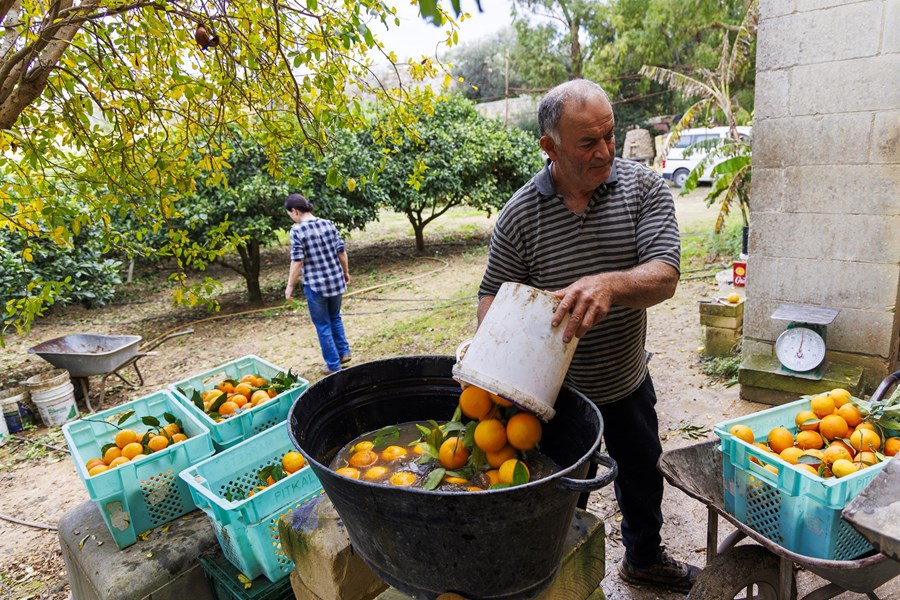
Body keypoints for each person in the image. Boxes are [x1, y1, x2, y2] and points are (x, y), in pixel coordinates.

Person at [477, 79, 699, 593]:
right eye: (587, 142)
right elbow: (492, 294)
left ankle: (642, 559)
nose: (604, 151)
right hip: (554, 397)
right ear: (549, 148)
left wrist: (609, 283)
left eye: (609, 135)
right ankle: (559, 574)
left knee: (642, 477)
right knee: (558, 495)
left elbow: (664, 275)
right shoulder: (520, 216)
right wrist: (493, 349)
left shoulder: (643, 189)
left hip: (624, 381)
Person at [284, 193, 352, 374]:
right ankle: (344, 352)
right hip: (336, 281)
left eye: (290, 214)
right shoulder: (328, 224)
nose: (291, 218)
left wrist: (290, 286)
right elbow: (342, 252)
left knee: (323, 324)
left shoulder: (297, 231)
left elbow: (297, 261)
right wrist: (345, 273)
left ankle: (333, 366)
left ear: (295, 211)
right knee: (335, 317)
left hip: (316, 286)